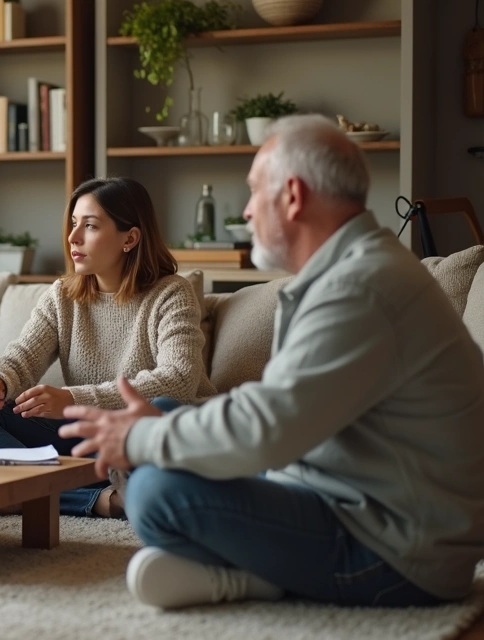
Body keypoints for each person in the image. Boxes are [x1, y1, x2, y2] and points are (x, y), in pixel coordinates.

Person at [60, 114, 484, 609]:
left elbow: (270, 427)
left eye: (255, 191)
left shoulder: (359, 289)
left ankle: (254, 578)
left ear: (293, 196)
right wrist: (159, 430)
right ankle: (261, 572)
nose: (245, 210)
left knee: (153, 490)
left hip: (399, 553)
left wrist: (139, 438)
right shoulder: (348, 270)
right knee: (170, 417)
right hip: (346, 496)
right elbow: (287, 417)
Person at [0, 176, 214, 518]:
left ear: (130, 238)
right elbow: (21, 357)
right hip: (88, 445)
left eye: (89, 226)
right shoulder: (63, 295)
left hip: (145, 437)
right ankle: (104, 498)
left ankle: (26, 493)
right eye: (74, 224)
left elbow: (178, 382)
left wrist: (73, 400)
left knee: (160, 407)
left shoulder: (171, 293)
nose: (73, 238)